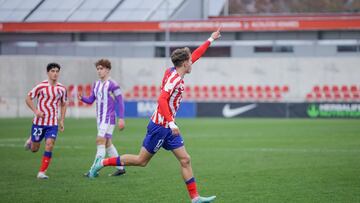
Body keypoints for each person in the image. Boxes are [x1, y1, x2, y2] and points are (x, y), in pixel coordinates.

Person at [89, 28, 221, 203]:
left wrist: (210, 39)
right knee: (141, 161)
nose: (192, 62)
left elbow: (195, 55)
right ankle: (102, 163)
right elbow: (161, 99)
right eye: (189, 61)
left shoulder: (173, 71)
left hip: (168, 128)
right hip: (160, 127)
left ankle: (195, 198)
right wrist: (172, 123)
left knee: (185, 160)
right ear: (184, 64)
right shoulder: (174, 80)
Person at [79, 59, 126, 177]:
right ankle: (120, 168)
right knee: (107, 143)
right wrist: (82, 98)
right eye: (98, 69)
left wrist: (121, 118)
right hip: (100, 119)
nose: (99, 71)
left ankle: (93, 170)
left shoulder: (113, 85)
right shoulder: (96, 84)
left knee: (99, 140)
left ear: (108, 70)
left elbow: (120, 101)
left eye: (102, 68)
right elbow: (91, 100)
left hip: (108, 118)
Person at [24, 63, 67, 179]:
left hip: (52, 123)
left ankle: (41, 172)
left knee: (49, 145)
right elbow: (28, 98)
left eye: (57, 71)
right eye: (53, 71)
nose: (55, 73)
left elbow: (63, 104)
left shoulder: (62, 88)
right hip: (39, 123)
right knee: (34, 149)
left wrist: (62, 120)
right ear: (48, 73)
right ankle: (31, 140)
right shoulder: (41, 86)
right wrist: (36, 111)